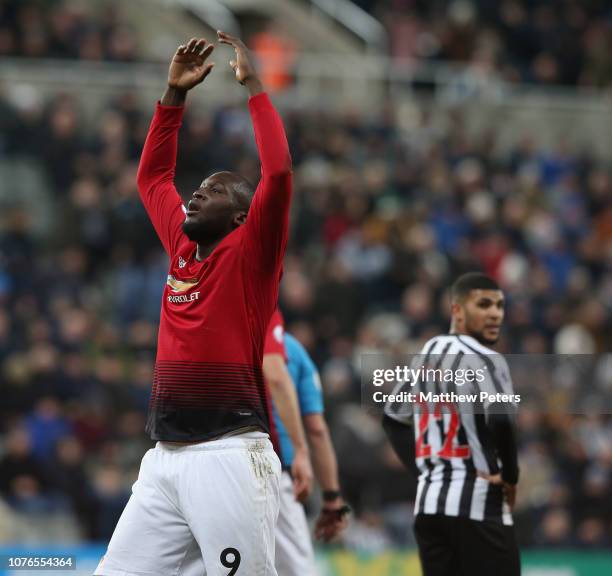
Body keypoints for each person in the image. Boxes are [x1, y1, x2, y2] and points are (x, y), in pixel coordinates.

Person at [95, 32, 292, 576]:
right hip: (164, 459)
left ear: (240, 217)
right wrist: (173, 97)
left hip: (229, 456)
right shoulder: (183, 248)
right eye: (199, 186)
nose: (197, 193)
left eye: (215, 189)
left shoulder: (251, 255)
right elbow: (152, 177)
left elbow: (277, 172)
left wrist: (254, 84)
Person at [383, 272, 520, 576]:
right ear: (457, 310)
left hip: (429, 506)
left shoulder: (428, 353)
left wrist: (425, 471)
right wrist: (510, 474)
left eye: (498, 305)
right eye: (483, 305)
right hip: (478, 502)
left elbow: (392, 418)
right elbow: (501, 420)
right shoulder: (487, 359)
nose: (495, 313)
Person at [264, 314, 348, 575]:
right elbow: (316, 429)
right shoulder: (293, 351)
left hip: (219, 467)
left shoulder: (228, 342)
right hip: (276, 472)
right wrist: (332, 498)